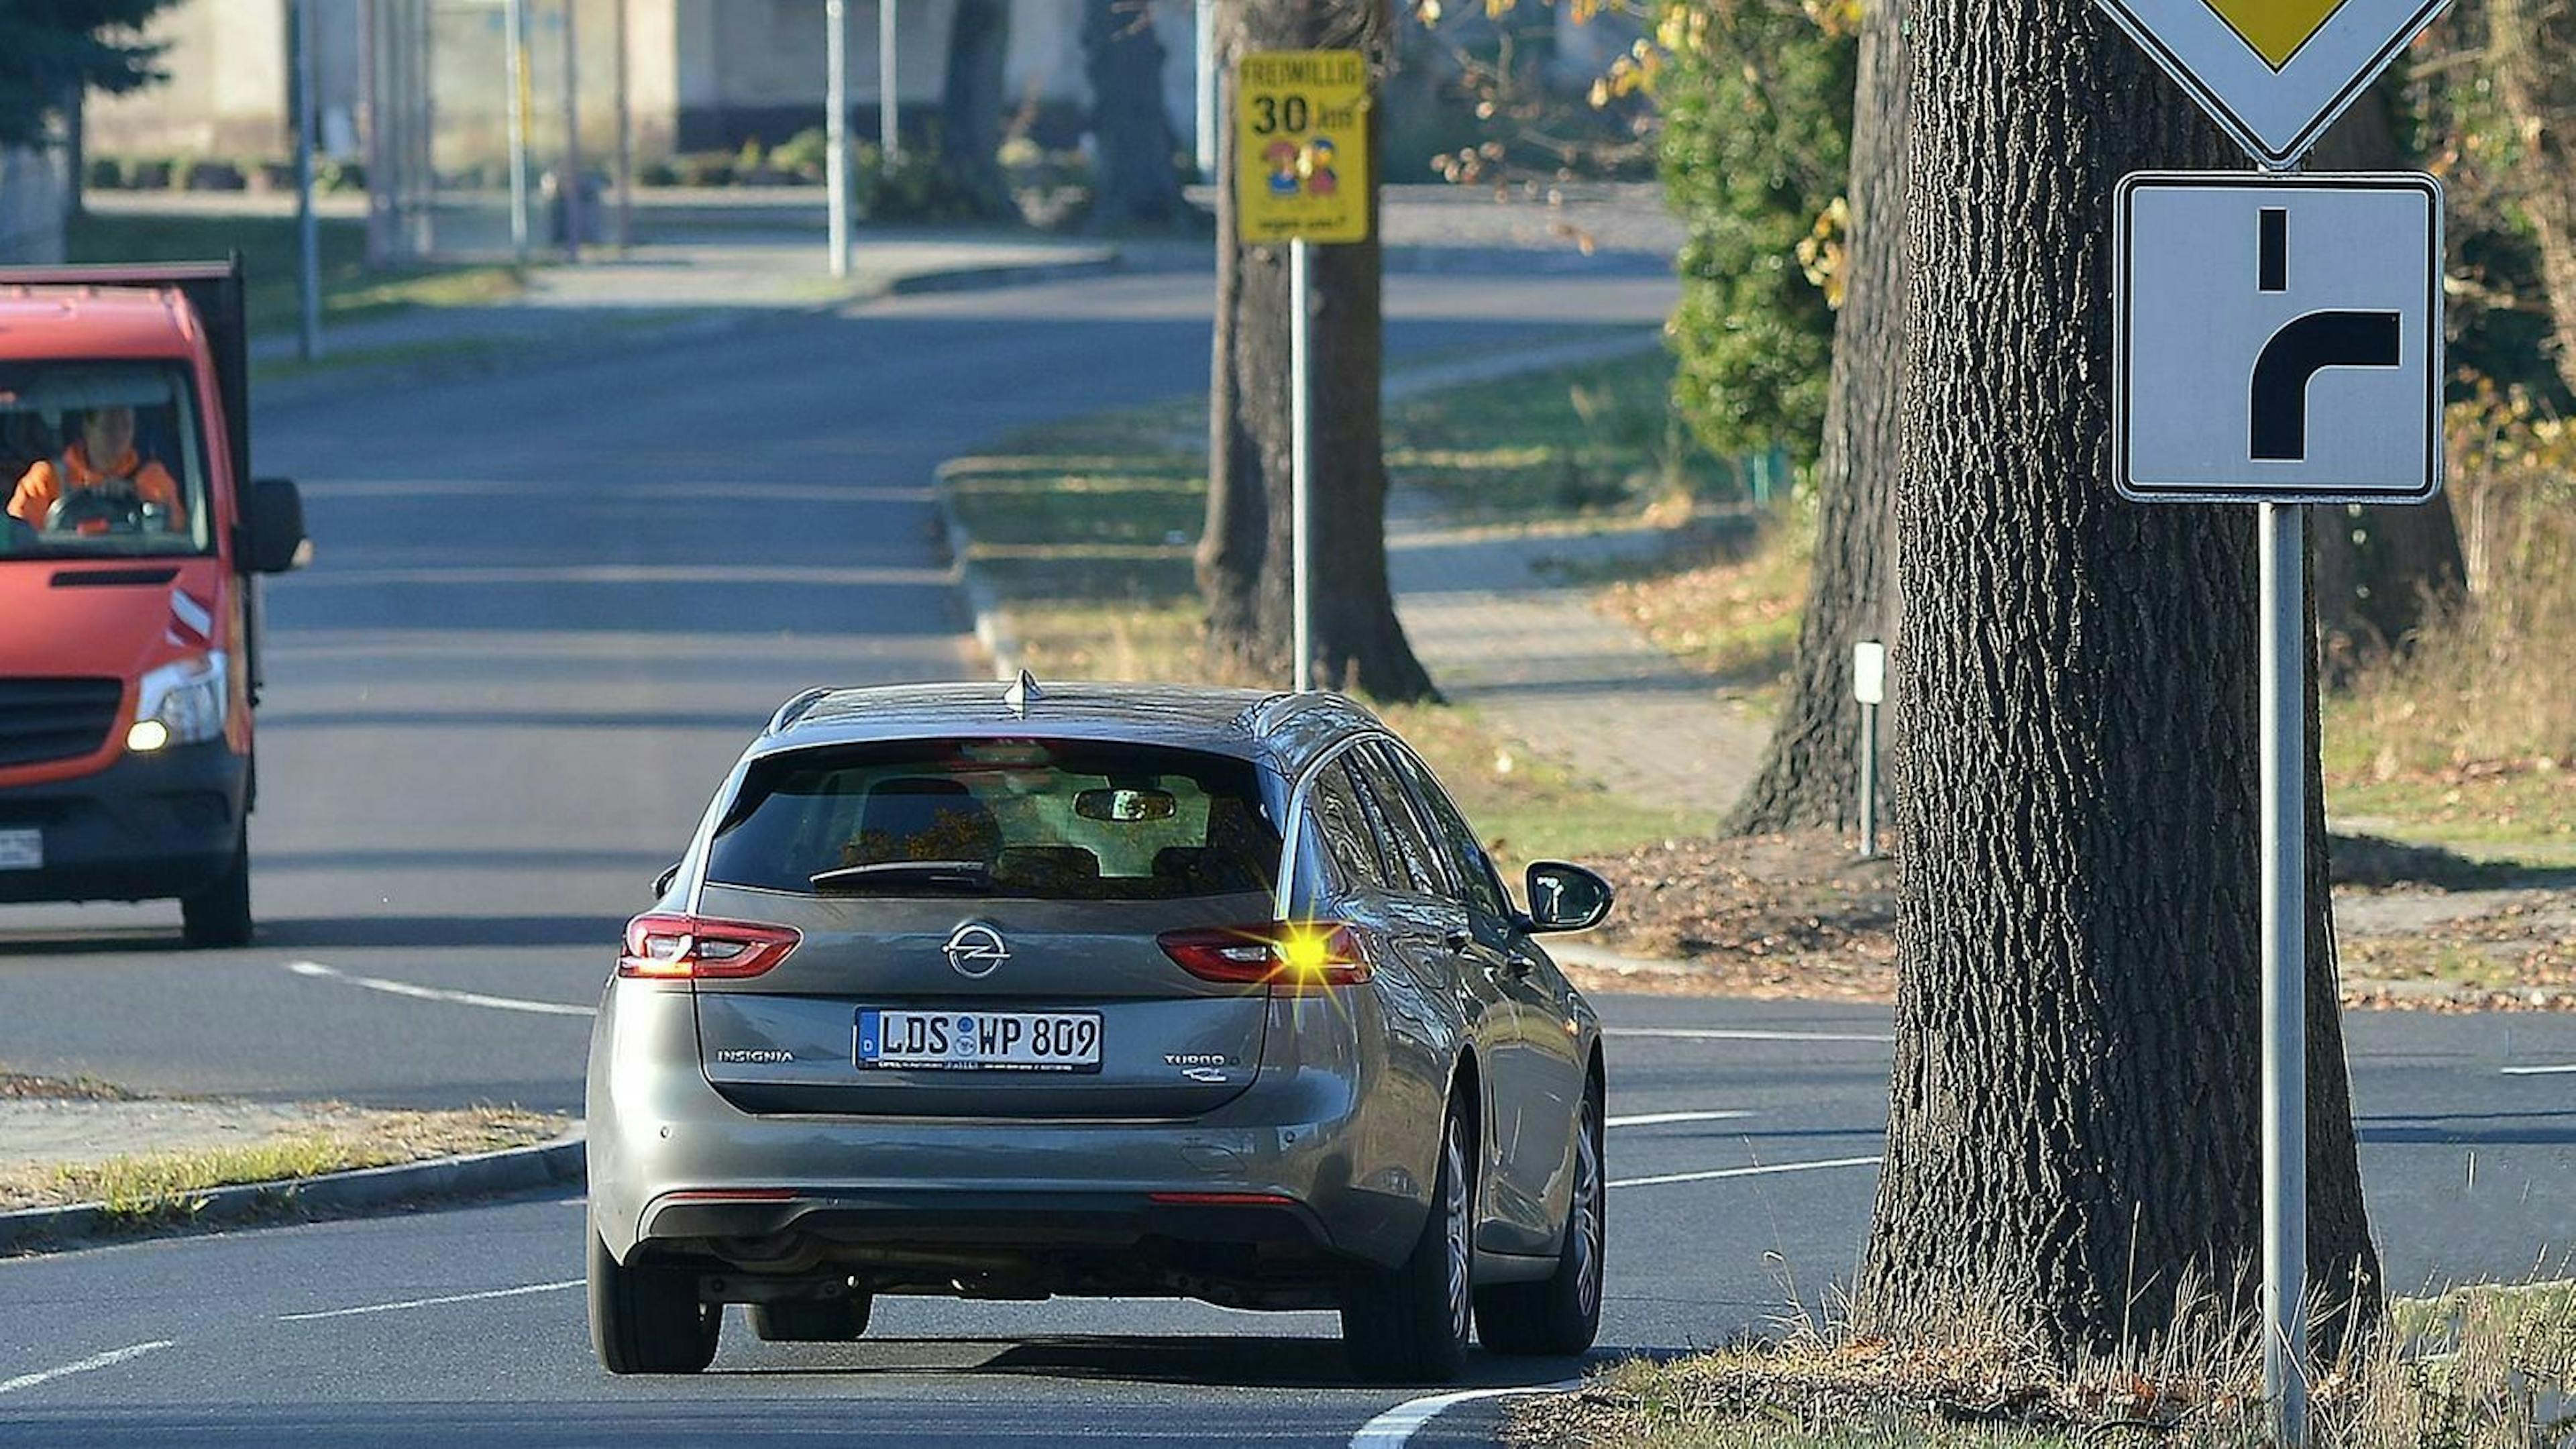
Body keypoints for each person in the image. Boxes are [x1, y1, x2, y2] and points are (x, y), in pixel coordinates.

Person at [7, 405, 186, 533]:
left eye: (126, 426)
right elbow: (16, 534)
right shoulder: (46, 477)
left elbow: (178, 532)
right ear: (88, 428)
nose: (119, 435)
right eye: (109, 427)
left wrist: (140, 500)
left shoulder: (153, 478)